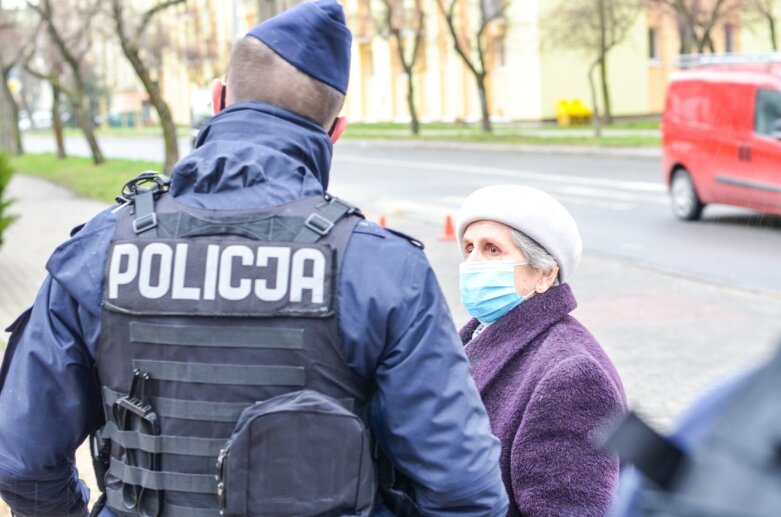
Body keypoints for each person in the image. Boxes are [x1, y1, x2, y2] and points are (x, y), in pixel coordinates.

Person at [0, 3, 509, 516]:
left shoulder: (99, 252)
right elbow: (464, 492)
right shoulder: (383, 270)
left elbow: (20, 460)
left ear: (220, 100)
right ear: (335, 132)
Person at [455, 184, 626, 516]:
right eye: (469, 249)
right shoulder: (476, 336)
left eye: (492, 250)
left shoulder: (572, 375)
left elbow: (571, 507)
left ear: (545, 274)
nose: (472, 263)